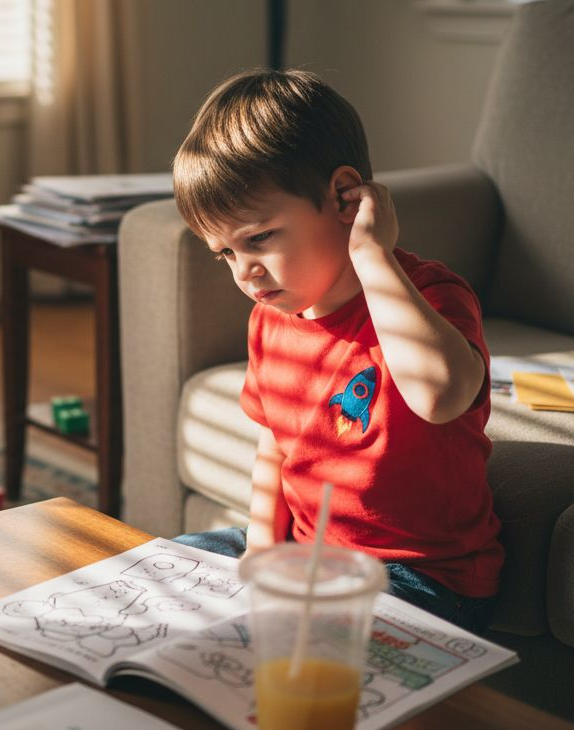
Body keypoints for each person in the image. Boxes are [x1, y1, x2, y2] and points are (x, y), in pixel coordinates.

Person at [169, 68, 502, 634]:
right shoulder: (270, 321)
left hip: (419, 575)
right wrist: (258, 553)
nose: (245, 271)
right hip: (305, 554)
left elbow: (441, 397)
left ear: (346, 198)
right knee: (171, 572)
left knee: (290, 641)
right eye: (224, 253)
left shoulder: (431, 297)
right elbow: (275, 448)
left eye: (260, 237)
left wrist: (373, 255)